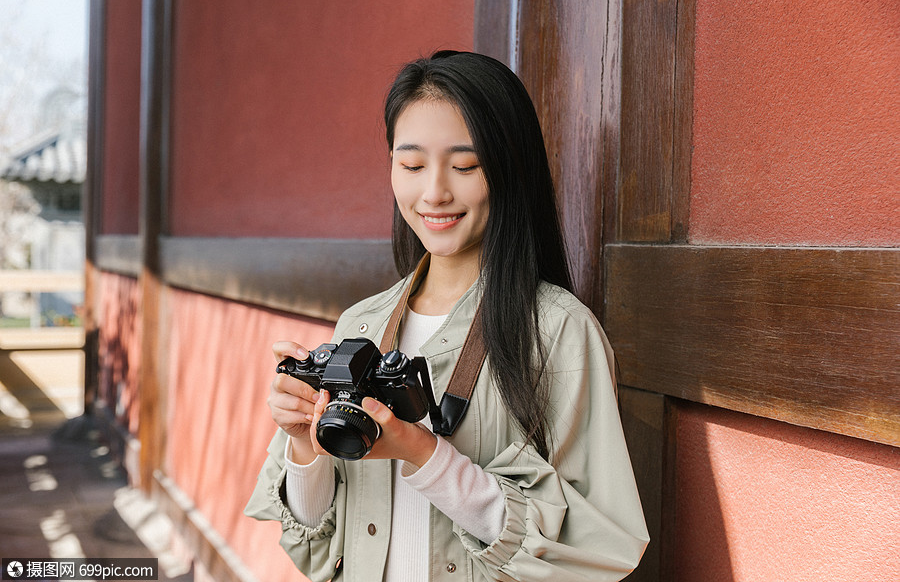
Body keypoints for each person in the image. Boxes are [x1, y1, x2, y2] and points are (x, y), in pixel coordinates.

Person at [245, 50, 649, 582]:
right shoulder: (359, 326)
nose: (434, 192)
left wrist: (422, 453)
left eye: (465, 165)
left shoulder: (558, 331)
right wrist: (303, 440)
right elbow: (317, 534)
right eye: (411, 165)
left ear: (509, 168)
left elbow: (594, 546)